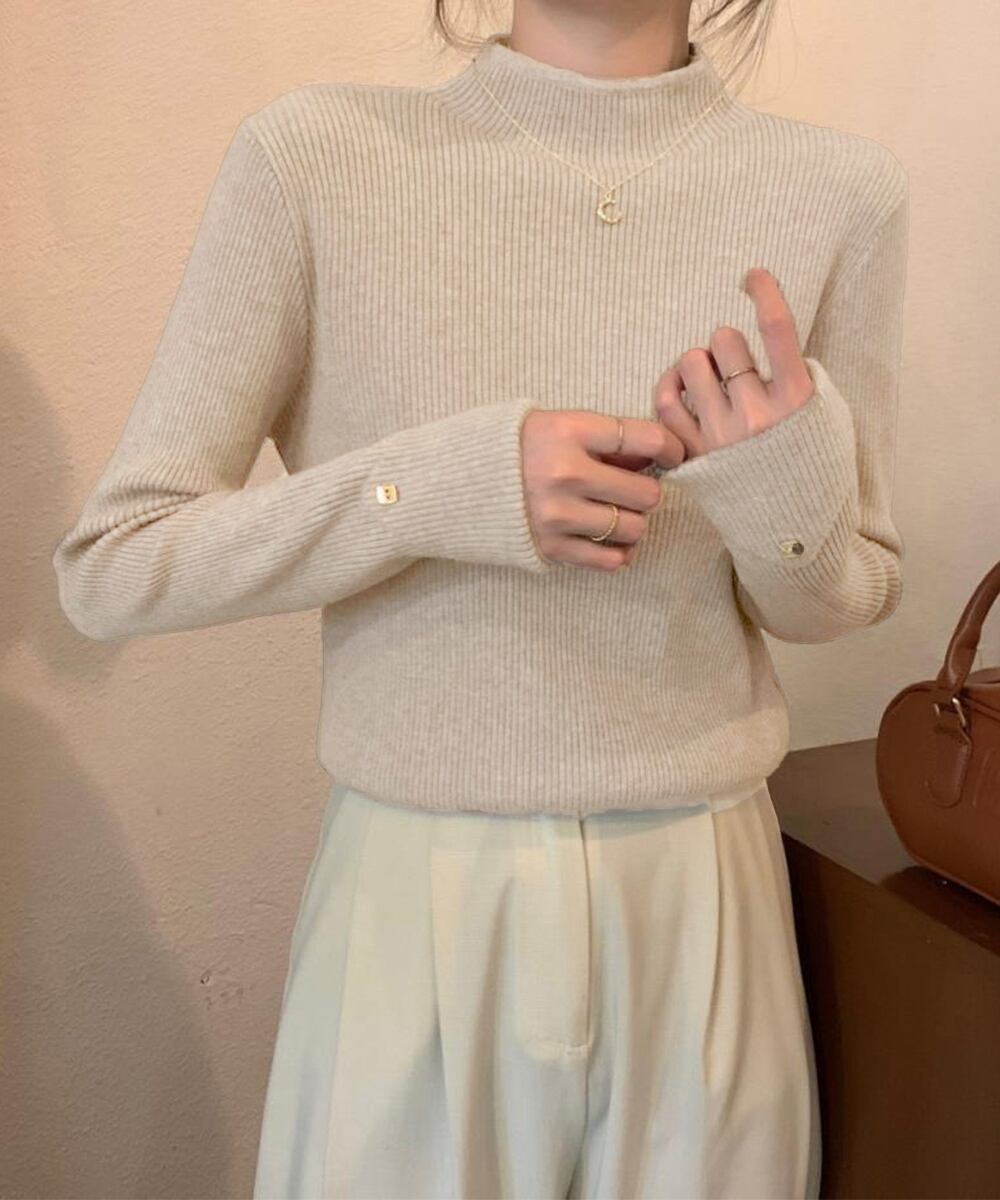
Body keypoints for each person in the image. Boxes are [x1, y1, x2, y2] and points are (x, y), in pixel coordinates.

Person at [51, 0, 910, 1195]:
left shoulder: (840, 192)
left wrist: (781, 479)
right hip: (417, 904)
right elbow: (115, 565)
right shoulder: (315, 159)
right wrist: (442, 485)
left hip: (705, 896)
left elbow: (840, 597)